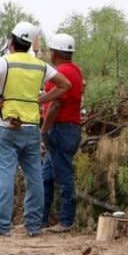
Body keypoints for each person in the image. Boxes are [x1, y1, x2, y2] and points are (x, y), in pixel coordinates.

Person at [0, 21, 71, 237]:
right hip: (31, 128)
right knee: (35, 178)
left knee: (5, 176)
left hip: (6, 126)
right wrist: (40, 100)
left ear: (11, 41)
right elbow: (65, 84)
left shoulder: (4, 62)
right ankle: (33, 226)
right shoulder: (39, 65)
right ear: (29, 44)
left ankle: (2, 225)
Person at [40, 33, 84, 232]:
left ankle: (66, 222)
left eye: (50, 50)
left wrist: (44, 130)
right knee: (45, 177)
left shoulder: (58, 74)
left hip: (60, 129)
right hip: (71, 129)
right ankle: (40, 219)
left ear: (56, 52)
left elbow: (55, 105)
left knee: (64, 176)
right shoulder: (76, 71)